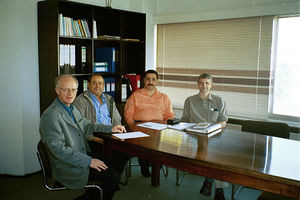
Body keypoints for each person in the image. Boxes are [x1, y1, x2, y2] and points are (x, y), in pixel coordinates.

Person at [39, 75, 126, 200]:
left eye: (73, 90)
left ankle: (90, 196)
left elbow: (87, 125)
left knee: (114, 160)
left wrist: (110, 128)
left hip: (80, 154)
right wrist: (89, 161)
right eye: (65, 89)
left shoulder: (70, 108)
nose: (70, 93)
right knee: (112, 176)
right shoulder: (51, 116)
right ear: (57, 90)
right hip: (68, 164)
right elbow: (59, 150)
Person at [181, 73, 228, 200]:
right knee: (212, 156)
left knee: (216, 155)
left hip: (214, 136)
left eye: (207, 83)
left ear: (211, 85)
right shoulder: (189, 100)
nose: (204, 85)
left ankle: (215, 186)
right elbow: (184, 120)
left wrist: (213, 129)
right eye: (201, 83)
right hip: (193, 137)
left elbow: (223, 122)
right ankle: (213, 184)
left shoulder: (219, 101)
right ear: (198, 84)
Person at [73, 74, 128, 177]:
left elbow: (117, 119)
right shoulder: (80, 101)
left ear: (104, 86)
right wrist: (94, 138)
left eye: (100, 83)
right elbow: (79, 125)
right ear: (88, 85)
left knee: (126, 151)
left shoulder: (109, 99)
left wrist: (118, 133)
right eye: (94, 83)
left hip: (111, 133)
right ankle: (110, 178)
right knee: (106, 154)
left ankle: (113, 177)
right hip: (93, 137)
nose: (98, 86)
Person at [124, 69, 174, 177]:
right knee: (145, 144)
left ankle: (154, 162)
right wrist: (133, 128)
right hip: (140, 128)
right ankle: (145, 163)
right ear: (144, 81)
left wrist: (168, 127)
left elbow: (169, 115)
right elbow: (128, 114)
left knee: (160, 144)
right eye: (148, 79)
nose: (150, 82)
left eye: (153, 79)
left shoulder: (164, 97)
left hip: (159, 129)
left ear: (157, 81)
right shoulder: (135, 95)